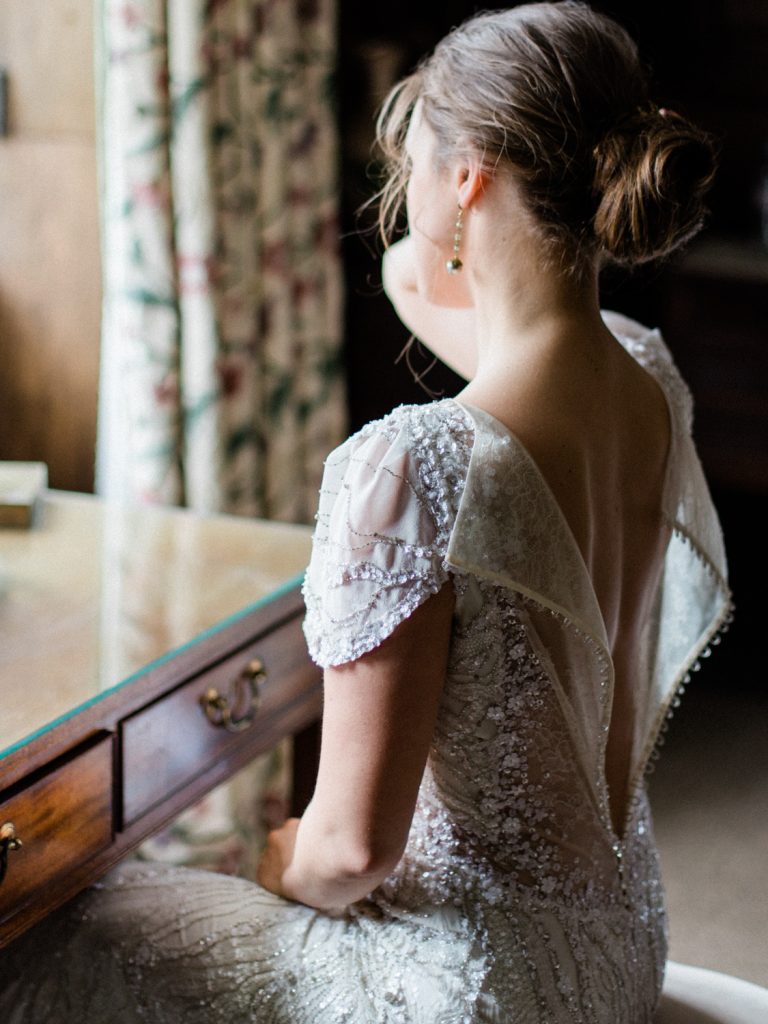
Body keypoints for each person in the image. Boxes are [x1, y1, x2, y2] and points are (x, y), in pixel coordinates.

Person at [1, 3, 766, 1022]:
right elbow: (425, 274)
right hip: (621, 938)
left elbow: (350, 852)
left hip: (479, 987)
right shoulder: (648, 382)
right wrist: (452, 193)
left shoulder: (414, 468)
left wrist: (282, 858)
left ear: (469, 177)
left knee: (54, 928)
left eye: (416, 167)